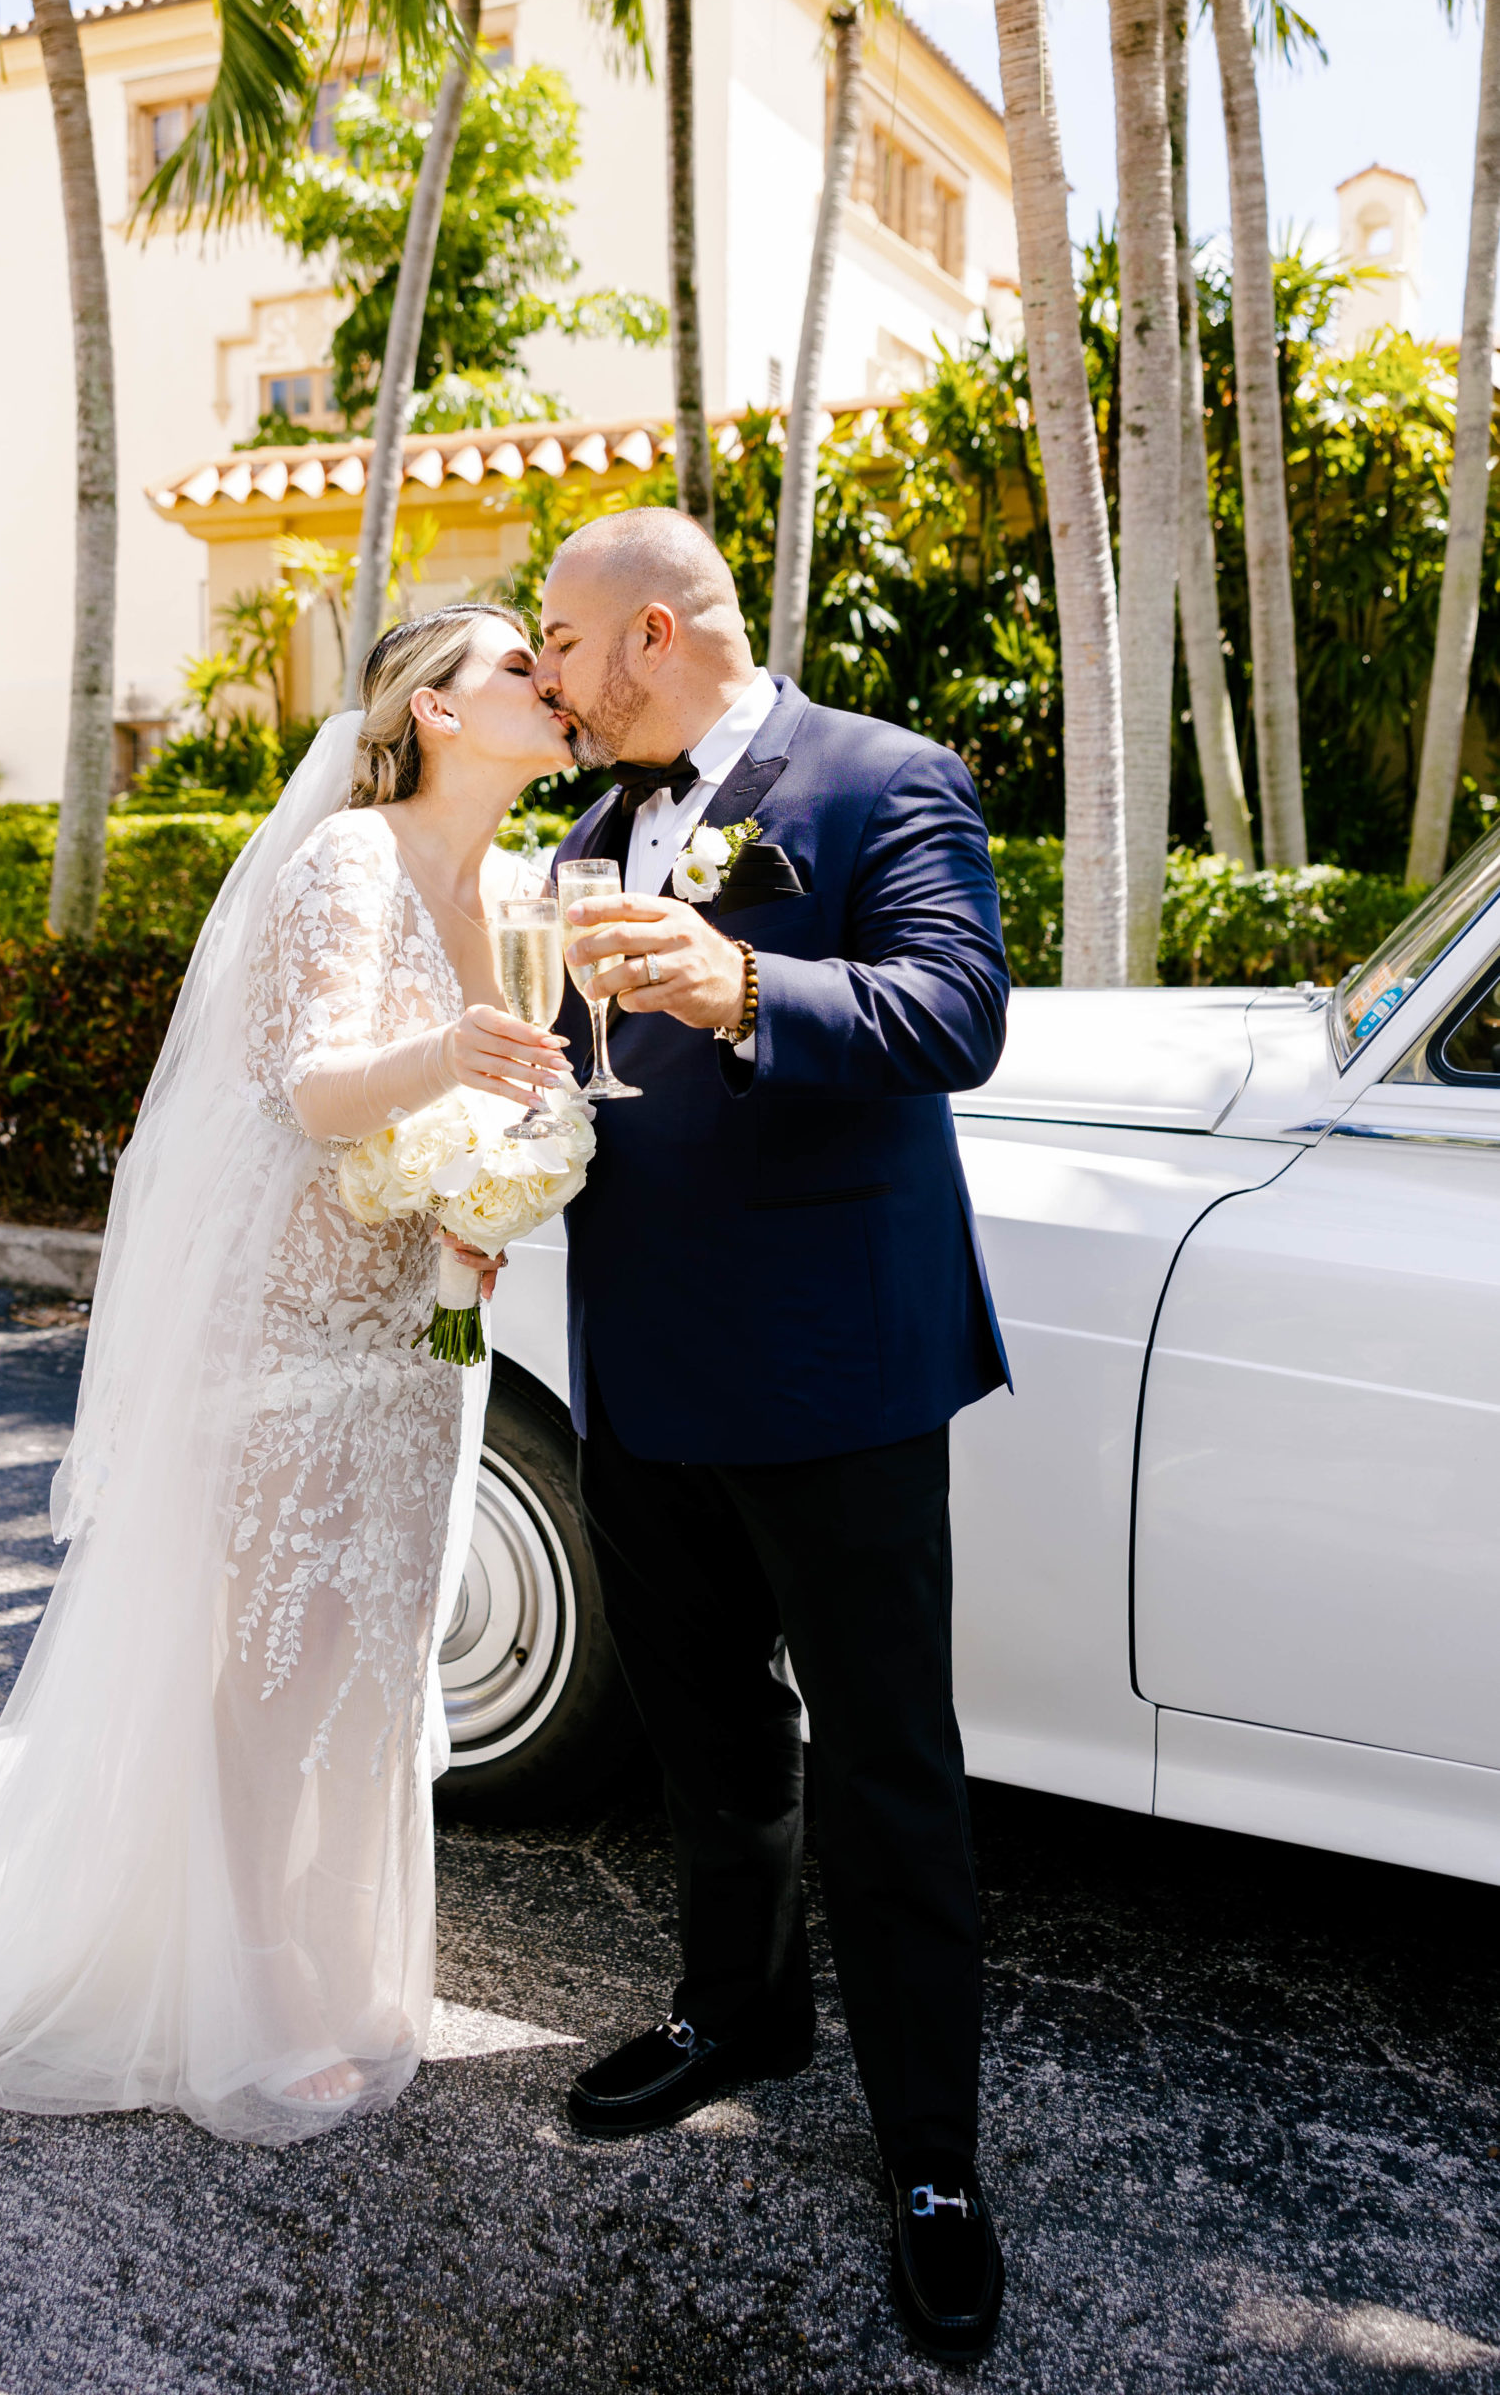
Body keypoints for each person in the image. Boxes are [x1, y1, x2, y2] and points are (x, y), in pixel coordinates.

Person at [0, 604, 572, 2145]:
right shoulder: (349, 861)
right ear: (427, 711)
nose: (551, 687)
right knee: (268, 1672)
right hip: (288, 1338)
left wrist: (494, 1196)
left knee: (376, 1656)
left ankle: (331, 1940)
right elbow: (311, 1086)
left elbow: (492, 1108)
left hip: (417, 1339)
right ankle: (255, 1977)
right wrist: (458, 1064)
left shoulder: (511, 887)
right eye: (515, 668)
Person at [536, 509, 1012, 2365]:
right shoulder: (587, 831)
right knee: (707, 1730)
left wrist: (742, 987)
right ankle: (739, 2012)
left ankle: (932, 2162)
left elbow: (955, 1016)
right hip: (645, 1373)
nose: (554, 691)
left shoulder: (889, 782)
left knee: (889, 1766)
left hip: (837, 1378)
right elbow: (594, 1081)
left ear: (653, 635)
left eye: (567, 655)